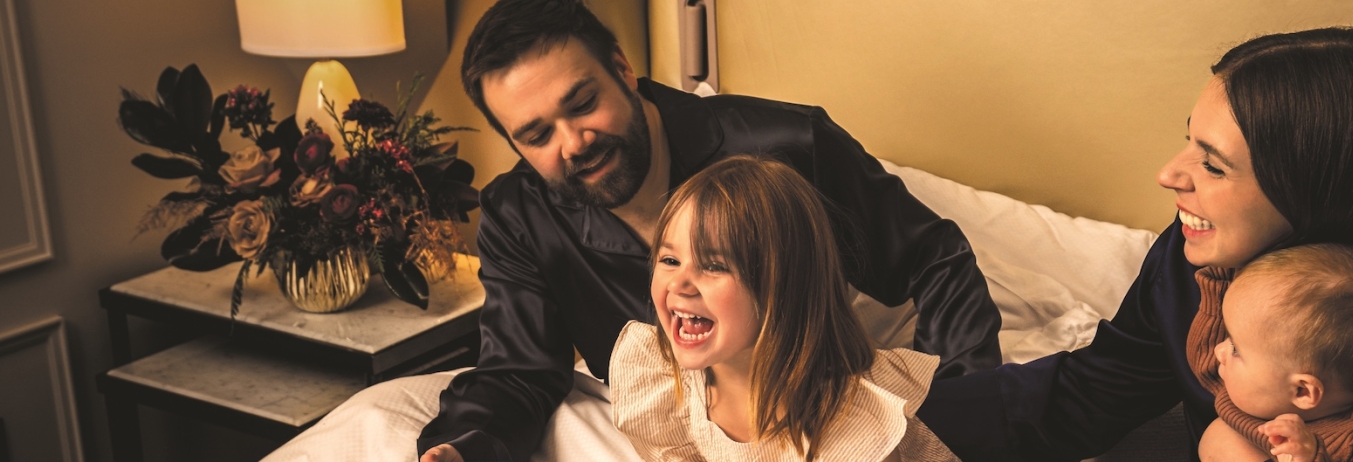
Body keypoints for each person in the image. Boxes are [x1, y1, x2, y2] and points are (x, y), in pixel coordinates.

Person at [915, 27, 1353, 462]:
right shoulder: (1194, 261)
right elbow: (1088, 391)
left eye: (1214, 165)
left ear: (1317, 196)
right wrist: (888, 418)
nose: (1170, 174)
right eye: (1189, 140)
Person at [419, 1, 1004, 460]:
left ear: (623, 68)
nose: (573, 144)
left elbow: (936, 259)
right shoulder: (518, 216)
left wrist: (953, 412)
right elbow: (519, 371)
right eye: (537, 136)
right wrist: (461, 448)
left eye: (583, 103)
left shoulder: (789, 145)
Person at [609, 156, 959, 462]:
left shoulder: (850, 429)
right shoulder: (661, 380)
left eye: (714, 266)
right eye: (670, 259)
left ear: (780, 287)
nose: (679, 284)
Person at [1194, 244, 1353, 462]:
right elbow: (1203, 356)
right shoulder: (1266, 379)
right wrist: (1220, 269)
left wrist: (1312, 455)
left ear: (1303, 391)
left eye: (1235, 349)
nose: (1218, 351)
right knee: (1221, 438)